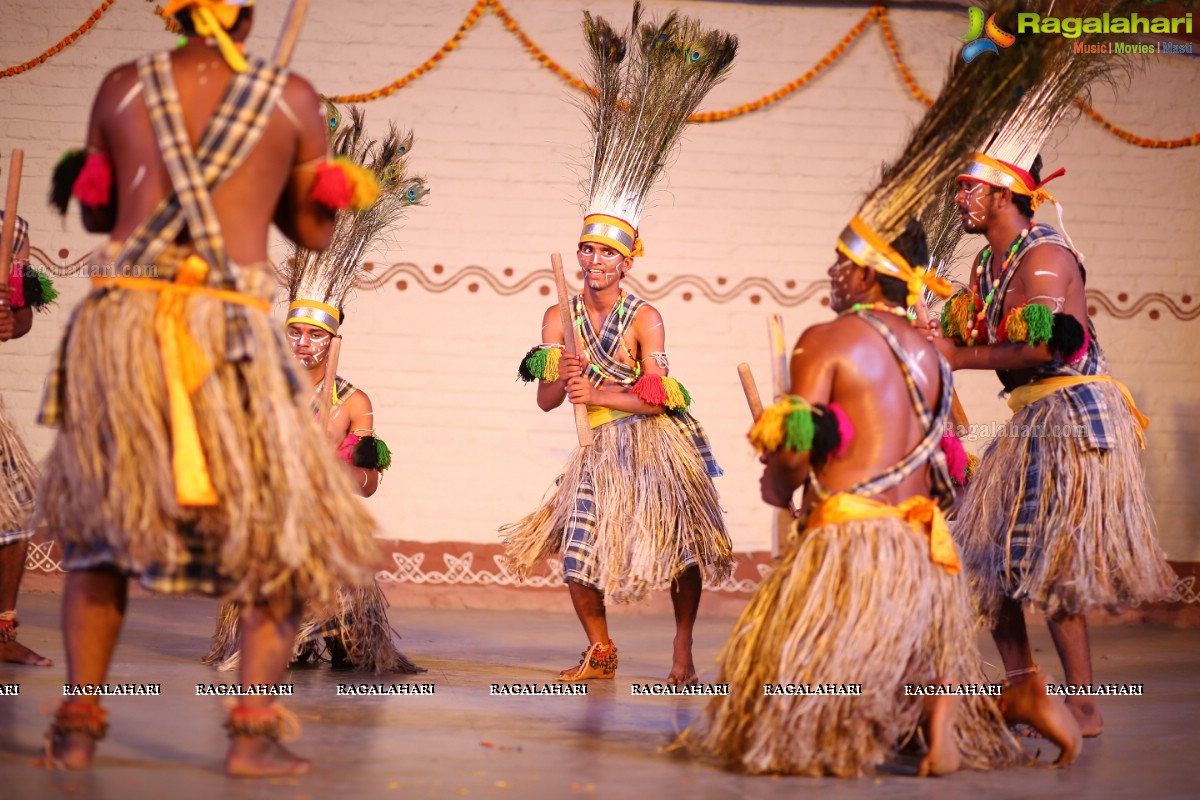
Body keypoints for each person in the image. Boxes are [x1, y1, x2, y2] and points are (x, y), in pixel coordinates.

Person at [37, 0, 381, 776]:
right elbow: (314, 231)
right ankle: (251, 737)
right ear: (247, 18)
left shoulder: (123, 85)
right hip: (224, 336)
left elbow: (95, 210)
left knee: (102, 536)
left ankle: (76, 727)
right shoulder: (286, 99)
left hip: (124, 333)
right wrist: (321, 183)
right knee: (287, 538)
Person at [502, 5, 737, 685]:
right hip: (595, 445)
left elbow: (659, 393)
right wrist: (563, 373)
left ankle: (684, 647)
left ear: (628, 260)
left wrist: (600, 389)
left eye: (607, 252)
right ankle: (600, 650)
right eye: (586, 249)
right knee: (576, 550)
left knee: (681, 547)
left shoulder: (647, 317)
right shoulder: (558, 316)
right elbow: (550, 402)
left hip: (651, 438)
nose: (593, 260)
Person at [935, 151, 1177, 738]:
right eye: (959, 188)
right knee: (981, 555)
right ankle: (1024, 691)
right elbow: (964, 337)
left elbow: (1046, 350)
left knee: (1053, 562)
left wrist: (957, 357)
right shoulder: (984, 268)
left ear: (1008, 193)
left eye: (971, 189)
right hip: (1027, 417)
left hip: (1073, 415)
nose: (960, 199)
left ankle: (1084, 707)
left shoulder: (1044, 256)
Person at [205, 109, 427, 673]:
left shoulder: (354, 402)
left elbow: (367, 487)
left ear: (334, 338)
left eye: (316, 334)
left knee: (350, 653)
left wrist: (338, 461)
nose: (304, 344)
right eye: (295, 331)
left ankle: (334, 624)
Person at [0, 210, 52, 667]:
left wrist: (10, 323)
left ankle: (2, 634)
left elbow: (24, 316)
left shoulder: (11, 230)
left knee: (15, 506)